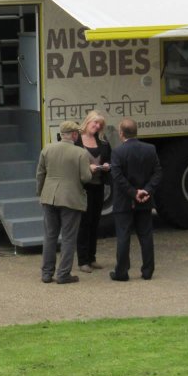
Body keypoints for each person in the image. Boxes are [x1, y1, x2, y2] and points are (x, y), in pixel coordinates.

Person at [36, 121, 93, 284]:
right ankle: (63, 274)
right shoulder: (81, 153)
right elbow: (85, 177)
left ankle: (46, 273)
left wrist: (41, 193)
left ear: (61, 134)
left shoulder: (47, 149)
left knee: (50, 236)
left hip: (49, 196)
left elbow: (40, 174)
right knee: (68, 237)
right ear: (74, 135)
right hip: (70, 198)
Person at [109, 118, 162, 282]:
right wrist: (146, 190)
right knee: (146, 236)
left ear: (121, 133)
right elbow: (157, 172)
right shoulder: (150, 149)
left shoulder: (117, 152)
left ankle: (121, 272)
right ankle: (147, 271)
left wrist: (133, 193)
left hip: (124, 200)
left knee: (123, 237)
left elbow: (117, 176)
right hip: (145, 199)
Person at [75, 111, 111, 273]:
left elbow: (109, 158)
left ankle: (92, 257)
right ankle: (83, 260)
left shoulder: (103, 141)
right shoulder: (76, 140)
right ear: (87, 121)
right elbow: (71, 162)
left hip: (98, 186)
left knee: (95, 222)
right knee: (84, 222)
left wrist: (107, 166)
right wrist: (86, 167)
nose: (97, 126)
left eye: (99, 124)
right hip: (83, 187)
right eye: (95, 123)